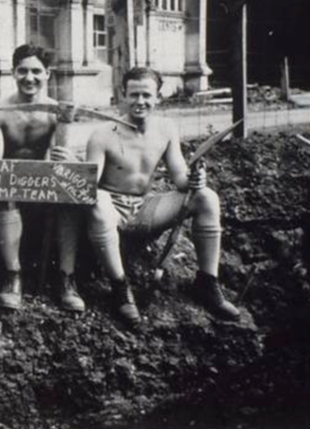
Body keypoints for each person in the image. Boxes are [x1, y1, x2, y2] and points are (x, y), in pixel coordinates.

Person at [85, 66, 240, 326]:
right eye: (133, 95)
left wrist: (194, 179)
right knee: (97, 200)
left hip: (146, 207)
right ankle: (120, 288)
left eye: (147, 95)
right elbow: (89, 186)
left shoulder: (166, 129)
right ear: (123, 95)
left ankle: (207, 282)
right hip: (111, 208)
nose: (140, 101)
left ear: (158, 96)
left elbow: (180, 178)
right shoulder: (102, 134)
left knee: (206, 197)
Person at [0, 44, 83, 312]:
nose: (30, 78)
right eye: (23, 71)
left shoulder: (56, 112)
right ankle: (13, 275)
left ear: (48, 73)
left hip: (43, 185)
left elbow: (57, 160)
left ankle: (66, 278)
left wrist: (65, 141)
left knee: (70, 194)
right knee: (3, 186)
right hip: (8, 186)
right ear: (13, 73)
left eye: (36, 71)